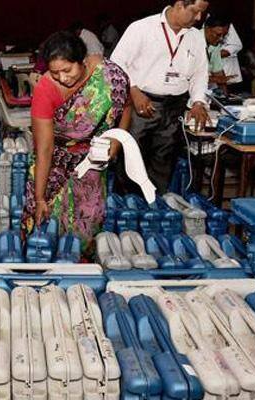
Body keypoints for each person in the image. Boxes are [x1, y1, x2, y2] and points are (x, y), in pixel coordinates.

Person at [22, 31, 131, 253]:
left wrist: (116, 142)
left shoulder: (108, 76)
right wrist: (41, 197)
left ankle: (82, 265)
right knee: (45, 225)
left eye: (67, 70)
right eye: (55, 72)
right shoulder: (46, 89)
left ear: (81, 61)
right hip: (55, 164)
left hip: (91, 162)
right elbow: (44, 148)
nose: (62, 78)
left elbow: (126, 106)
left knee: (88, 220)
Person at [111, 0, 210, 194]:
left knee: (163, 163)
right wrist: (133, 90)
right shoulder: (141, 28)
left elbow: (200, 73)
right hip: (142, 105)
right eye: (196, 12)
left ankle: (154, 212)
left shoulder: (196, 37)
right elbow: (116, 65)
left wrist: (198, 101)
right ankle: (127, 211)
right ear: (180, 4)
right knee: (132, 159)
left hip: (175, 107)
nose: (199, 18)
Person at [203, 15, 231, 92]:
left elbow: (218, 72)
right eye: (218, 34)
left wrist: (225, 97)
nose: (221, 39)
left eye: (224, 36)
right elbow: (187, 75)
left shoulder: (215, 45)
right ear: (207, 29)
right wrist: (213, 79)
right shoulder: (192, 41)